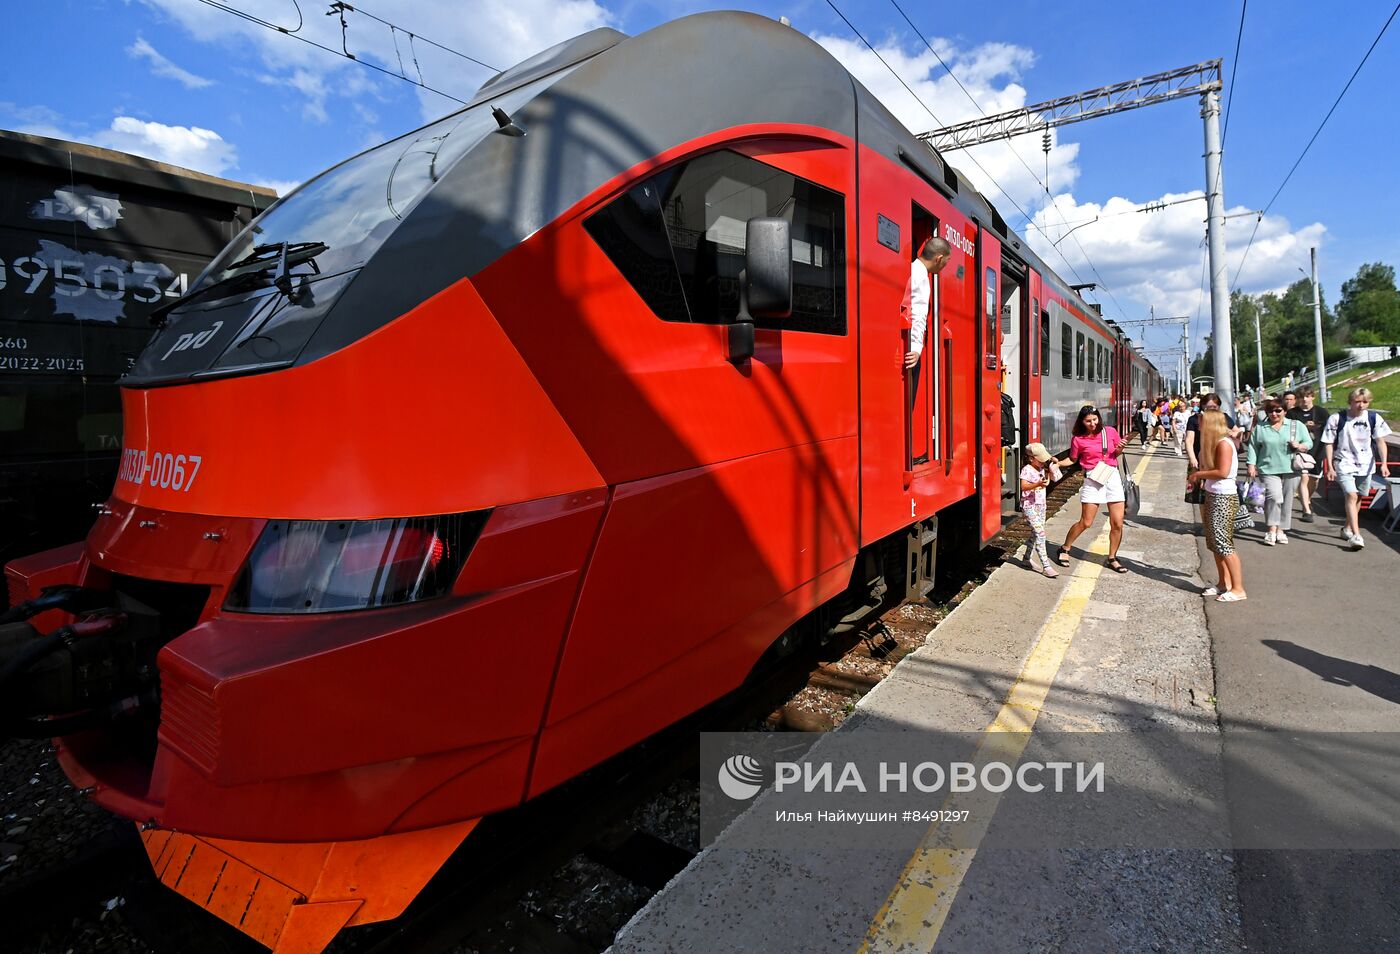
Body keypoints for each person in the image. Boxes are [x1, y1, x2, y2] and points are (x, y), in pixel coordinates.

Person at [1054, 406, 1129, 573]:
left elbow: (1114, 454)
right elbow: (1073, 459)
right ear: (1082, 421)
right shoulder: (1078, 439)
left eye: (1095, 419)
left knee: (1117, 523)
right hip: (1093, 480)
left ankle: (1112, 557)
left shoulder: (1109, 432)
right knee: (1086, 522)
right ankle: (1065, 548)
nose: (1093, 423)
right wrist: (1058, 463)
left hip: (1112, 477)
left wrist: (1120, 447)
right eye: (1088, 421)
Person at [1321, 387, 1392, 550]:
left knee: (1358, 497)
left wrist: (1385, 463)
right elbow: (1329, 443)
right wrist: (1330, 466)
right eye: (1357, 402)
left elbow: (1381, 442)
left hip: (1366, 464)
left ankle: (1347, 528)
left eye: (1365, 402)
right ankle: (1357, 535)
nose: (1361, 405)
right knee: (1351, 496)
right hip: (1343, 462)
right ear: (1350, 402)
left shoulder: (1374, 418)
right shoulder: (1337, 418)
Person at [1188, 409, 1247, 602]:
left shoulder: (1224, 444)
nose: (1199, 425)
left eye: (1202, 422)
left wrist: (1198, 474)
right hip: (1215, 495)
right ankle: (1224, 583)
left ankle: (1238, 589)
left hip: (1224, 497)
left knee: (1224, 543)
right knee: (1214, 543)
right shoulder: (1217, 443)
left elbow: (1223, 472)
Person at [1246, 399, 1312, 545]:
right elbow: (1253, 446)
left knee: (1287, 500)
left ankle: (1281, 529)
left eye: (1278, 411)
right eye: (1270, 411)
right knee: (1274, 497)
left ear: (1285, 411)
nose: (1274, 414)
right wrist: (1251, 464)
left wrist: (1300, 446)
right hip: (1267, 468)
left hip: (1291, 468)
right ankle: (1271, 529)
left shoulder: (1296, 425)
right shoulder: (1261, 428)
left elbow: (1309, 443)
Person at [903, 237, 952, 398]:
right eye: (947, 261)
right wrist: (916, 349)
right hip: (910, 347)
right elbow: (917, 313)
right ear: (938, 258)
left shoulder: (909, 269)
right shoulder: (921, 277)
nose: (946, 265)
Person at [1287, 386, 1328, 521]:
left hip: (1318, 449)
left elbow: (1329, 430)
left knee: (1314, 479)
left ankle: (1307, 499)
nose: (1304, 399)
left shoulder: (1321, 412)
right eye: (1301, 397)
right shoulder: (1292, 413)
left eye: (1307, 396)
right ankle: (1306, 509)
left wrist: (1316, 426)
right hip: (1299, 451)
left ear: (1312, 397)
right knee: (1304, 477)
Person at [1020, 443, 1060, 578]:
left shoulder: (1043, 468)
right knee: (1041, 534)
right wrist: (1037, 484)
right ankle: (1046, 566)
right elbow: (1023, 487)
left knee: (1035, 534)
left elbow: (1056, 478)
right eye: (1041, 458)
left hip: (1041, 505)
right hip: (1029, 506)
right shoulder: (1027, 469)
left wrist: (1054, 466)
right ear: (1031, 458)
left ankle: (1026, 559)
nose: (1043, 461)